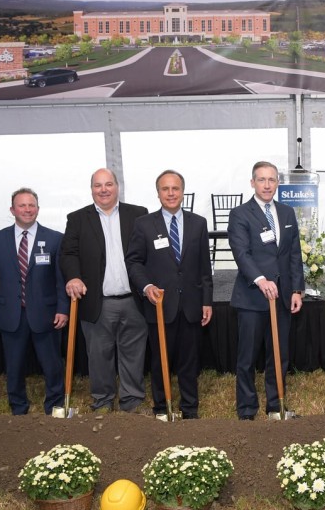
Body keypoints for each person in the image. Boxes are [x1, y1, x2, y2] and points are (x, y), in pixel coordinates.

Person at [125, 170, 213, 419]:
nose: (171, 193)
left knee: (189, 361)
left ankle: (190, 409)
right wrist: (146, 287)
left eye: (175, 188)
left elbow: (205, 267)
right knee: (159, 360)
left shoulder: (198, 223)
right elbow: (133, 262)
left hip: (191, 304)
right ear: (158, 193)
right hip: (160, 304)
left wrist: (207, 301)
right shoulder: (144, 224)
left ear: (183, 192)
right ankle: (162, 409)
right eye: (166, 189)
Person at [61, 168, 149, 414]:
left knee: (133, 353)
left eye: (108, 184)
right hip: (97, 302)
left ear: (117, 187)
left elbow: (147, 253)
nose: (103, 190)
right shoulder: (77, 218)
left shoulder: (138, 215)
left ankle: (132, 401)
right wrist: (74, 276)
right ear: (91, 189)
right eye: (98, 185)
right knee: (99, 355)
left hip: (133, 299)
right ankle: (102, 401)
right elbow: (68, 254)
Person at [228, 161, 303, 420]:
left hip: (282, 297)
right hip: (252, 298)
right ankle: (247, 410)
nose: (267, 184)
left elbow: (294, 253)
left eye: (272, 180)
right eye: (262, 179)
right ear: (252, 183)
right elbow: (241, 253)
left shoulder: (286, 212)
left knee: (278, 354)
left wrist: (296, 289)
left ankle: (275, 406)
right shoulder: (240, 214)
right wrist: (260, 280)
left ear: (278, 183)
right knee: (247, 357)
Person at [0, 188, 69, 415]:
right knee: (13, 367)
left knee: (52, 365)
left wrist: (63, 309)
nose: (27, 210)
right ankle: (18, 408)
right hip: (11, 314)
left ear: (38, 209)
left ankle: (55, 406)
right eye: (22, 205)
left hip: (47, 314)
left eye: (31, 205)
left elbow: (60, 278)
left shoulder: (54, 239)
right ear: (12, 209)